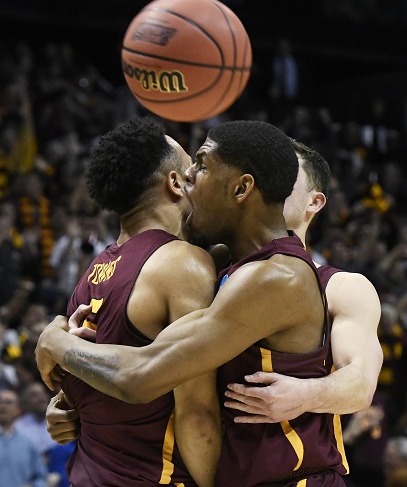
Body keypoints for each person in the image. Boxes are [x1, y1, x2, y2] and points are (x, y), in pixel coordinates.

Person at [37, 120, 349, 485]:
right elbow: (140, 358)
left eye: (201, 165)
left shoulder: (277, 277)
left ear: (241, 188)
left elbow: (139, 375)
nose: (188, 177)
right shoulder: (221, 262)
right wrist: (76, 402)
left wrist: (55, 342)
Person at [40, 116, 223, 486]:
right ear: (175, 183)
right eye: (191, 171)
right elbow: (196, 413)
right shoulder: (182, 263)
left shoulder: (93, 271)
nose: (197, 180)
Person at [223, 140, 383, 423]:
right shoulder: (213, 262)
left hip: (295, 451)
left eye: (284, 173)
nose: (268, 182)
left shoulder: (342, 287)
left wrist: (306, 393)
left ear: (314, 202)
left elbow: (361, 383)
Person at [0, 388, 48, 487]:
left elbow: (41, 477)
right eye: (0, 402)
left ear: (18, 410)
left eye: (8, 402)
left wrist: (34, 485)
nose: (3, 406)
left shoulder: (28, 443)